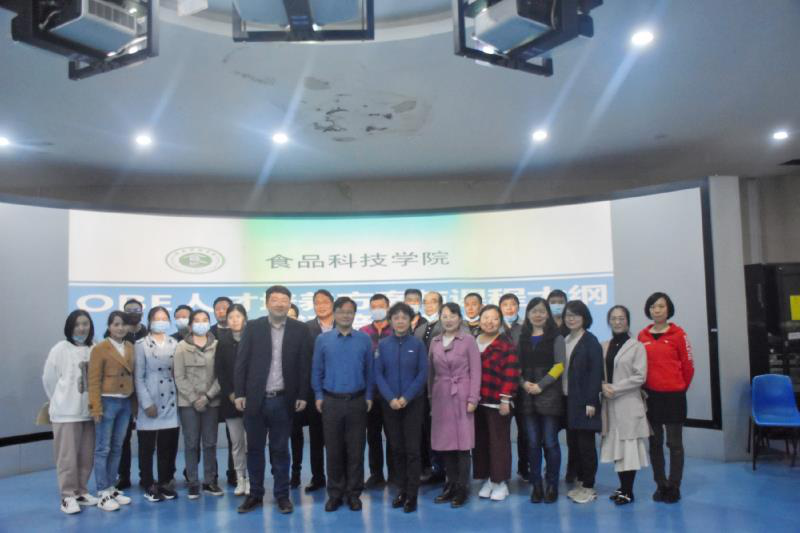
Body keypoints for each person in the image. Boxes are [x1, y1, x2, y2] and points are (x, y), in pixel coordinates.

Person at [234, 286, 312, 515]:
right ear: (267, 303)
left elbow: (304, 365)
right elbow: (241, 362)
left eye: (284, 300)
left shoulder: (300, 329)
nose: (279, 304)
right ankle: (255, 494)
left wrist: (302, 395)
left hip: (283, 400)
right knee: (254, 449)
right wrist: (239, 393)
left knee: (280, 450)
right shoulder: (253, 327)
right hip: (255, 400)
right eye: (275, 299)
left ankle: (282, 496)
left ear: (290, 303)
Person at [312, 296, 374, 513]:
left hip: (357, 401)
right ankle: (335, 494)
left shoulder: (364, 339)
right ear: (335, 313)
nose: (346, 315)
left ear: (354, 315)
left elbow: (370, 371)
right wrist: (318, 395)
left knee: (356, 450)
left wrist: (369, 395)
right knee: (334, 450)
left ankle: (354, 494)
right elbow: (316, 370)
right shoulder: (323, 340)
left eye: (350, 312)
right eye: (341, 311)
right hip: (331, 402)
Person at [638, 292, 694, 504]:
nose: (657, 310)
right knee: (655, 443)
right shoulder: (642, 336)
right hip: (651, 397)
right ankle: (660, 485)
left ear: (668, 309)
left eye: (661, 306)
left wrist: (678, 387)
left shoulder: (679, 335)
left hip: (674, 397)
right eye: (653, 306)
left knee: (674, 444)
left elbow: (688, 366)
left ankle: (674, 486)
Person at [374, 302, 428, 512]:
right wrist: (390, 398)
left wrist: (406, 397)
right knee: (396, 448)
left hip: (413, 404)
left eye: (404, 317)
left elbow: (423, 373)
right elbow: (378, 374)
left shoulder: (418, 344)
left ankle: (412, 494)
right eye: (395, 318)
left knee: (412, 450)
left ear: (411, 320)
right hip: (390, 405)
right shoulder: (383, 345)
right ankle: (401, 490)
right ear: (390, 321)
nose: (400, 321)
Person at [43, 310, 97, 514]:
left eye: (85, 324)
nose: (82, 328)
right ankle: (67, 495)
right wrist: (59, 400)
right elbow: (49, 379)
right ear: (69, 327)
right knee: (67, 457)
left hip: (89, 413)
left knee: (86, 455)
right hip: (66, 413)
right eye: (77, 324)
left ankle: (81, 491)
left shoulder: (94, 348)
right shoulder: (60, 349)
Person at [428, 303, 481, 509]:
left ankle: (462, 488)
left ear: (459, 318)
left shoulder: (468, 340)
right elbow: (431, 374)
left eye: (452, 316)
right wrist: (431, 399)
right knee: (446, 445)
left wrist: (473, 399)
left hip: (462, 395)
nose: (448, 320)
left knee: (462, 446)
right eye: (444, 316)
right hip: (441, 396)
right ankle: (449, 485)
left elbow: (476, 371)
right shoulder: (435, 342)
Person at [600, 305, 650, 505]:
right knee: (616, 448)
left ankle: (628, 491)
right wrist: (602, 386)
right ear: (608, 321)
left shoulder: (636, 346)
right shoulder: (604, 346)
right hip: (609, 404)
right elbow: (599, 372)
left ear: (628, 321)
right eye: (613, 318)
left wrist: (615, 388)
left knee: (629, 449)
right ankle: (622, 487)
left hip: (628, 403)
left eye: (621, 318)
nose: (617, 322)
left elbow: (640, 376)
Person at [517, 297, 566, 504]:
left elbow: (559, 366)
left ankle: (552, 484)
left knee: (551, 442)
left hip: (549, 395)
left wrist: (541, 385)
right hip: (527, 396)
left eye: (542, 311)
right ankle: (536, 485)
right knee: (533, 443)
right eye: (533, 311)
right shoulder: (522, 338)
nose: (538, 314)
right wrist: (523, 384)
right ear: (528, 315)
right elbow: (516, 367)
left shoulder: (556, 337)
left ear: (547, 314)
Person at [88, 311, 135, 511]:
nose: (120, 328)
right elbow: (93, 380)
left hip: (125, 402)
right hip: (107, 402)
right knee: (103, 448)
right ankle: (102, 491)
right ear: (109, 326)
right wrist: (95, 407)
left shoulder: (130, 347)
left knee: (117, 447)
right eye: (116, 324)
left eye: (123, 324)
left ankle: (110, 486)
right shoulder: (100, 348)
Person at [174, 309, 222, 500]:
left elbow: (222, 375)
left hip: (212, 401)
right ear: (191, 325)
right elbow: (179, 376)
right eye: (197, 320)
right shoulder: (181, 347)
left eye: (205, 320)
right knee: (191, 443)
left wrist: (208, 397)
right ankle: (193, 482)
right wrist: (194, 398)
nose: (201, 324)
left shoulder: (218, 346)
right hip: (188, 403)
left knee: (210, 443)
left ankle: (210, 481)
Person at [473, 305, 519, 502]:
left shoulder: (506, 344)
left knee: (498, 443)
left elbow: (511, 373)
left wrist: (505, 399)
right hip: (476, 402)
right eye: (485, 317)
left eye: (494, 318)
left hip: (497, 402)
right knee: (481, 442)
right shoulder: (473, 341)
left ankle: (500, 482)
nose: (489, 322)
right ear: (479, 320)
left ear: (500, 321)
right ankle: (489, 480)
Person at [134, 306, 180, 503]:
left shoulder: (174, 343)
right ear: (150, 321)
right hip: (150, 396)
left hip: (170, 397)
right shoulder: (141, 344)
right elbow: (138, 377)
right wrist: (146, 403)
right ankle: (148, 482)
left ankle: (165, 482)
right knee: (146, 446)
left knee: (167, 446)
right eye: (156, 318)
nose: (160, 322)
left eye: (164, 318)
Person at [562, 300, 603, 504]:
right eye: (568, 315)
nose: (571, 319)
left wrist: (591, 401)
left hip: (584, 402)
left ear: (584, 317)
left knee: (586, 445)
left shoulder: (590, 341)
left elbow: (596, 373)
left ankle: (589, 486)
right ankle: (580, 482)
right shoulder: (566, 339)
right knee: (574, 444)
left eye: (576, 315)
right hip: (568, 401)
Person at [295, 289, 335, 493]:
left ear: (333, 304)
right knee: (316, 437)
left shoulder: (343, 325)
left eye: (325, 302)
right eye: (317, 302)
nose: (321, 306)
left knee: (338, 438)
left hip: (338, 391)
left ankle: (339, 477)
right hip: (315, 392)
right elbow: (303, 362)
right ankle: (318, 477)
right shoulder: (306, 328)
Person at [359, 293, 395, 489]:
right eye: (373, 306)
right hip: (370, 394)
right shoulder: (363, 332)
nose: (377, 309)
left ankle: (395, 474)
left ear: (388, 308)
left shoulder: (396, 330)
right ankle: (376, 474)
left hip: (391, 393)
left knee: (393, 435)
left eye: (381, 306)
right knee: (372, 436)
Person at [215, 304, 250, 497]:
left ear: (245, 318)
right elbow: (220, 371)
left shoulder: (253, 339)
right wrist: (231, 393)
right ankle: (240, 479)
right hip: (230, 400)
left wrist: (248, 394)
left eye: (238, 316)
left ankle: (252, 479)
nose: (234, 320)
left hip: (252, 400)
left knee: (251, 443)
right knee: (236, 443)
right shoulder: (222, 342)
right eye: (231, 317)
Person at [414, 290, 445, 484]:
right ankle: (432, 468)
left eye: (433, 301)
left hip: (443, 385)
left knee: (443, 429)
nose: (429, 305)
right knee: (426, 428)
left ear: (441, 304)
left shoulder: (448, 325)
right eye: (426, 302)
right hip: (422, 388)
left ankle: (446, 470)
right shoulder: (419, 329)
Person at [117, 298, 146, 490]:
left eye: (136, 310)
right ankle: (123, 476)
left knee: (146, 437)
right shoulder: (117, 334)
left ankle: (146, 476)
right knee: (123, 437)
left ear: (142, 312)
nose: (133, 313)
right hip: (124, 393)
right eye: (129, 310)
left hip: (145, 392)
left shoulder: (149, 333)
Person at [500, 292, 528, 481]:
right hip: (501, 388)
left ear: (518, 307)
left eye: (513, 304)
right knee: (501, 433)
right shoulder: (495, 326)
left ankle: (524, 468)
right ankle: (502, 471)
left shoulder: (526, 327)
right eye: (505, 305)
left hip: (523, 388)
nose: (509, 308)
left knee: (524, 431)